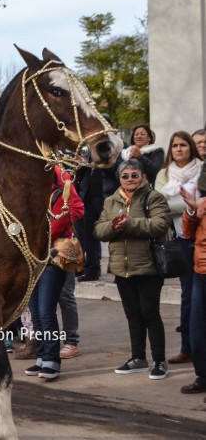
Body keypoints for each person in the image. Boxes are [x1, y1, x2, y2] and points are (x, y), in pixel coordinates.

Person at [95, 159, 171, 379]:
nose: (129, 179)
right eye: (125, 176)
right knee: (133, 315)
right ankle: (138, 358)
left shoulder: (154, 197)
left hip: (148, 267)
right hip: (121, 268)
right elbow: (98, 230)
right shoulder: (110, 201)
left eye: (134, 175)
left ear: (143, 177)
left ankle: (159, 361)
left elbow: (160, 224)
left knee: (150, 314)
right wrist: (113, 226)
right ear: (119, 179)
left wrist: (129, 223)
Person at [24, 167, 84, 380]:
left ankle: (51, 359)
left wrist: (52, 230)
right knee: (35, 310)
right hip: (32, 255)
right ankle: (41, 356)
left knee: (45, 310)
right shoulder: (28, 185)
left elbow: (77, 209)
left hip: (54, 254)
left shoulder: (61, 181)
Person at [155, 131, 202, 364]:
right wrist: (191, 205)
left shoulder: (202, 169)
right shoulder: (164, 174)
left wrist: (189, 204)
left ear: (191, 147)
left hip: (202, 238)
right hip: (181, 239)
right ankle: (187, 347)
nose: (179, 149)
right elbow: (159, 204)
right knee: (188, 294)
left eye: (183, 144)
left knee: (199, 295)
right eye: (175, 145)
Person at [180, 185, 206, 396]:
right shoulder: (202, 203)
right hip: (200, 272)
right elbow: (187, 233)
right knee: (197, 329)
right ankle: (203, 377)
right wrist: (190, 209)